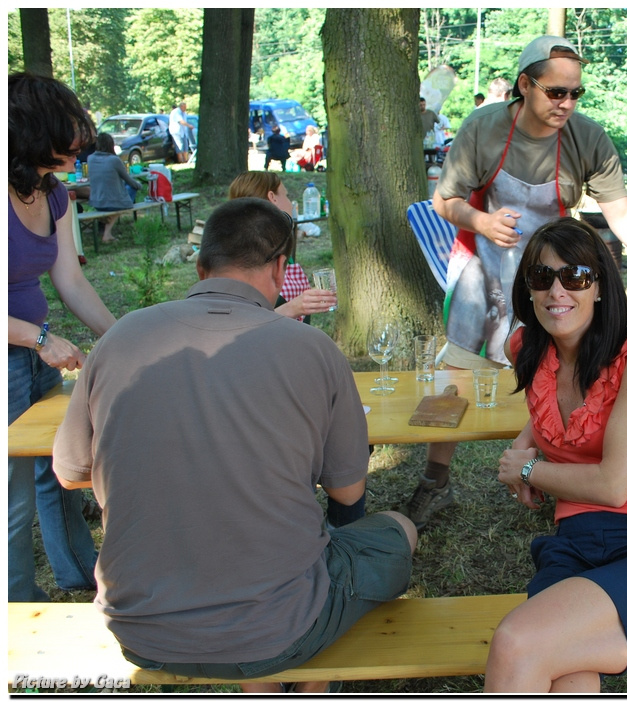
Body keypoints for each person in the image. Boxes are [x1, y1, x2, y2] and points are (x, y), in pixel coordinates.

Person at [52, 198, 417, 693]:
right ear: (281, 267)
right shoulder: (312, 349)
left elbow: (71, 472)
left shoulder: (119, 339)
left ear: (202, 266)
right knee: (399, 529)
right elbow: (349, 496)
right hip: (278, 629)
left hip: (138, 629)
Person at [402, 35, 627, 530]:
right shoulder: (483, 130)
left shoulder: (587, 139)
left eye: (576, 93)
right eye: (556, 92)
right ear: (524, 85)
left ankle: (564, 476)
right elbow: (445, 201)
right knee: (454, 383)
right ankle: (434, 481)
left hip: (555, 286)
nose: (567, 104)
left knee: (566, 378)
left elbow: (618, 211)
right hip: (483, 274)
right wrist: (482, 221)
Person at [483, 217, 627, 692]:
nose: (556, 291)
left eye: (576, 277)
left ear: (601, 287)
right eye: (542, 277)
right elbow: (554, 408)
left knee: (515, 643)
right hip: (574, 548)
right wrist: (526, 441)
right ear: (529, 288)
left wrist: (527, 468)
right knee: (568, 676)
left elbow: (613, 485)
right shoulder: (525, 346)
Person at [8, 72, 118, 602]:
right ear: (31, 134)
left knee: (58, 467)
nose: (79, 157)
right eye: (69, 145)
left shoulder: (54, 195)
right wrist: (38, 338)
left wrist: (123, 338)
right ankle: (17, 613)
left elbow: (70, 279)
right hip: (17, 350)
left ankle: (79, 575)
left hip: (32, 351)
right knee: (12, 497)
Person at [228, 171, 337, 322]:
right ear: (273, 198)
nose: (290, 203)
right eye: (286, 195)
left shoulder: (276, 241)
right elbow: (243, 323)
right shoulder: (246, 251)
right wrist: (293, 308)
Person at [87, 132, 143, 243]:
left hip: (96, 200)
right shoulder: (114, 160)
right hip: (113, 202)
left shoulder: (90, 158)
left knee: (114, 194)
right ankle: (107, 235)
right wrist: (139, 185)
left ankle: (106, 232)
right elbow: (128, 180)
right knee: (130, 189)